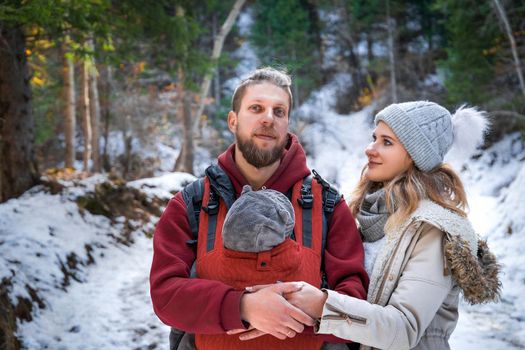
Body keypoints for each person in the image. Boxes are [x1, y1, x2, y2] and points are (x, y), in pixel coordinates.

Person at [241, 101, 501, 349]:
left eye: (386, 142)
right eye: (374, 137)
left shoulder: (431, 229)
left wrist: (323, 305)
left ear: (415, 155)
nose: (370, 148)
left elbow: (404, 328)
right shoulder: (370, 216)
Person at [149, 67, 368, 350]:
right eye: (256, 108)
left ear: (288, 122)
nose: (268, 118)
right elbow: (166, 297)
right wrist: (243, 306)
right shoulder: (191, 203)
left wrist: (319, 306)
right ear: (233, 120)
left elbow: (357, 306)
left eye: (279, 112)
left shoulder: (327, 205)